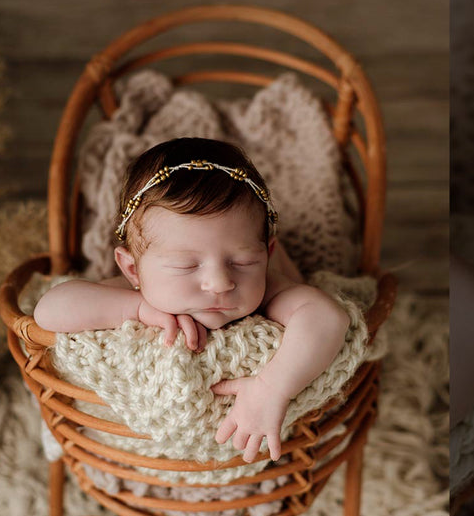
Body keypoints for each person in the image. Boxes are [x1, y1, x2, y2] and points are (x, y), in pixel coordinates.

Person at [34, 137, 350, 463]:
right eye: (186, 265)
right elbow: (48, 310)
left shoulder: (269, 290)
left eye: (243, 262)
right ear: (132, 269)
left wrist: (271, 389)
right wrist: (139, 309)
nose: (220, 283)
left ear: (266, 257)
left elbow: (328, 318)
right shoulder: (134, 292)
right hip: (139, 455)